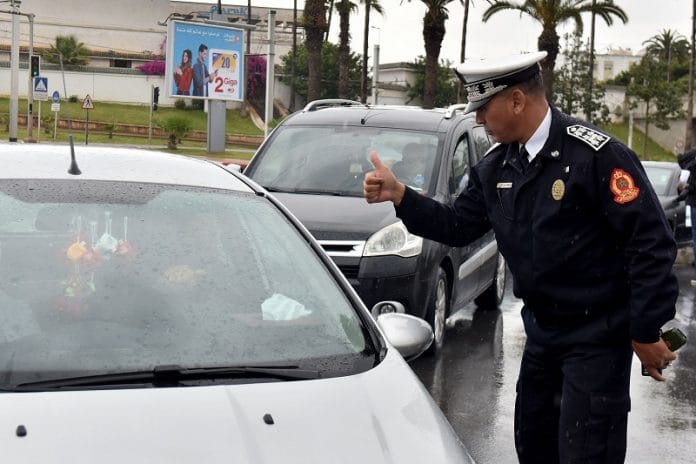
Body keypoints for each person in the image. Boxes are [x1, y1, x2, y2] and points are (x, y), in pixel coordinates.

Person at [363, 51, 679, 463]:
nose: (478, 119)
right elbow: (458, 225)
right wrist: (402, 196)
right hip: (542, 339)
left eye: (484, 108)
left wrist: (646, 330)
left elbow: (650, 244)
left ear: (516, 100)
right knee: (534, 449)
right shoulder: (497, 168)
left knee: (588, 454)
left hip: (596, 341)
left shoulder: (597, 157)